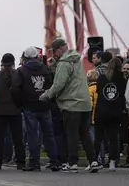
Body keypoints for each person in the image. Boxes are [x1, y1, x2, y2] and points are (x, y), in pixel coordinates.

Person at [39, 38, 101, 173]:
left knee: (71, 134)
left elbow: (59, 83)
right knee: (85, 134)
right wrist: (55, 64)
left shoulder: (64, 63)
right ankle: (93, 161)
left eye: (54, 52)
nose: (54, 55)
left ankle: (72, 163)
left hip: (71, 103)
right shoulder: (76, 60)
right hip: (84, 103)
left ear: (60, 49)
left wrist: (47, 95)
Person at [12, 46, 59, 171]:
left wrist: (20, 104)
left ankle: (34, 162)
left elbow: (15, 89)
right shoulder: (46, 69)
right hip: (45, 105)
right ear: (37, 56)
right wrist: (49, 100)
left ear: (25, 57)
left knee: (32, 134)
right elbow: (52, 86)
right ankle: (54, 160)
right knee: (49, 134)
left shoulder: (21, 71)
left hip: (29, 106)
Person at [0, 53, 25, 170]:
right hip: (15, 111)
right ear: (14, 63)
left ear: (2, 63)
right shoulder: (18, 75)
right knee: (18, 139)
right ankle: (21, 162)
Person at [94, 56, 126, 171]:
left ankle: (95, 160)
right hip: (116, 112)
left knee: (98, 137)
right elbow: (123, 95)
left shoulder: (102, 78)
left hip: (102, 110)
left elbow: (98, 91)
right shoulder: (122, 79)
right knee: (113, 138)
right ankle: (112, 162)